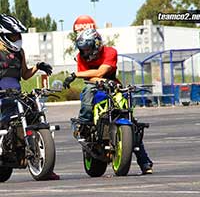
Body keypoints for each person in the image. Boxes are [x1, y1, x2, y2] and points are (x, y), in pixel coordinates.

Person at [63, 28, 153, 175]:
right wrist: (99, 80)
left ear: (96, 44)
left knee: (131, 122)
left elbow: (101, 71)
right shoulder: (80, 57)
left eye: (87, 49)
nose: (84, 52)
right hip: (94, 86)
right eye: (82, 49)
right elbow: (89, 78)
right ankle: (84, 125)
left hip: (114, 85)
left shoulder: (110, 52)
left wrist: (76, 74)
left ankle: (145, 162)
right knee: (87, 94)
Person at [0, 14, 60, 180]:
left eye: (18, 35)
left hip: (16, 95)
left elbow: (25, 75)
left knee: (35, 111)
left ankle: (45, 165)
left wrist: (38, 67)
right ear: (3, 36)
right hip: (2, 96)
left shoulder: (20, 53)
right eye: (13, 35)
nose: (17, 38)